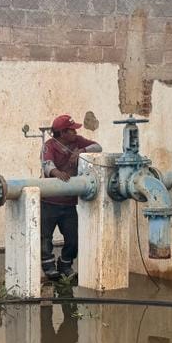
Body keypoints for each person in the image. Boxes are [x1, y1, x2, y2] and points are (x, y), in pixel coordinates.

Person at [40, 113, 101, 281]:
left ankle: (65, 263)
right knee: (45, 237)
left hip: (69, 203)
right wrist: (56, 173)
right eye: (72, 130)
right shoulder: (49, 145)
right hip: (49, 202)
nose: (75, 133)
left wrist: (82, 151)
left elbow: (98, 147)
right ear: (62, 133)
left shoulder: (77, 142)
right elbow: (46, 164)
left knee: (73, 238)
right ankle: (48, 265)